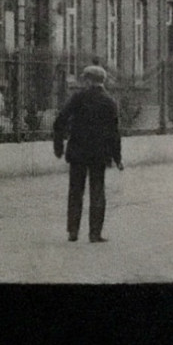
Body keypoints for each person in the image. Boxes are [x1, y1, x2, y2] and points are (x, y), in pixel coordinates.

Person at [52, 64, 124, 242]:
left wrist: (58, 146)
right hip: (99, 154)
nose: (83, 82)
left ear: (90, 80)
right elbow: (115, 133)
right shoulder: (109, 102)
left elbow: (60, 121)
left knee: (76, 191)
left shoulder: (78, 98)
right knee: (97, 191)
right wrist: (117, 157)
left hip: (78, 152)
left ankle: (73, 231)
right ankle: (94, 233)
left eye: (85, 78)